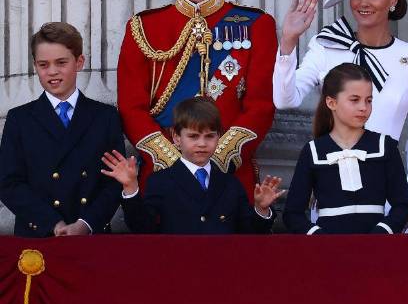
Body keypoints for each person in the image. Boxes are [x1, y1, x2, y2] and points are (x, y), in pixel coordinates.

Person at [273, 0, 408, 225]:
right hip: (331, 195)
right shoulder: (327, 46)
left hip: (388, 198)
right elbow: (285, 99)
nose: (363, 3)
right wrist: (288, 43)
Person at [117, 0, 276, 196]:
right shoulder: (142, 28)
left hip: (230, 181)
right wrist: (173, 163)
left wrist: (216, 160)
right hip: (162, 179)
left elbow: (261, 105)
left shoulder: (256, 24)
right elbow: (131, 108)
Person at [0, 23, 124, 236]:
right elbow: (9, 184)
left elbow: (115, 182)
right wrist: (53, 223)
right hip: (39, 235)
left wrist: (86, 224)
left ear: (79, 62)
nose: (52, 72)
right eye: (43, 64)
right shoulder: (19, 119)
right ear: (35, 66)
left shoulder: (105, 117)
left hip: (92, 236)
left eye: (61, 62)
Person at [101, 97, 282, 234]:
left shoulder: (230, 184)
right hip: (177, 272)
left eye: (210, 136)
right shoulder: (161, 181)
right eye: (193, 136)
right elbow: (141, 227)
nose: (202, 144)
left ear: (219, 137)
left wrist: (261, 209)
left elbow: (250, 234)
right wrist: (131, 189)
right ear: (177, 137)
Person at [283, 63, 408, 234]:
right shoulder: (313, 151)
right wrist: (320, 237)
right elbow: (292, 214)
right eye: (354, 100)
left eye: (369, 100)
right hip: (330, 253)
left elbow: (402, 206)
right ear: (331, 102)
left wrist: (381, 233)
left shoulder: (384, 146)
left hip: (377, 251)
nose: (363, 107)